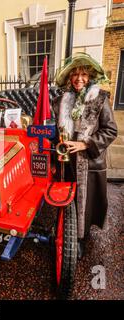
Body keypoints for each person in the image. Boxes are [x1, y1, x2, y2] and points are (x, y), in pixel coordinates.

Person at [53, 53, 118, 259]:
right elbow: (56, 132)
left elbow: (110, 130)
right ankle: (67, 230)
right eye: (75, 74)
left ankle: (80, 238)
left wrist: (84, 144)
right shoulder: (61, 101)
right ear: (69, 78)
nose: (79, 78)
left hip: (89, 162)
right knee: (67, 201)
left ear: (89, 77)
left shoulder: (100, 99)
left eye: (83, 74)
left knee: (85, 204)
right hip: (65, 161)